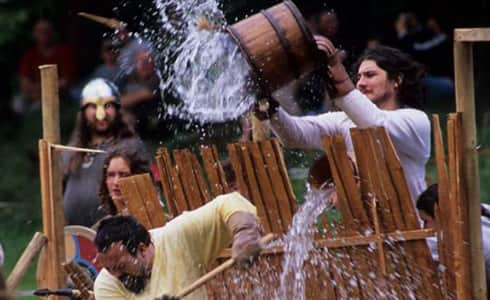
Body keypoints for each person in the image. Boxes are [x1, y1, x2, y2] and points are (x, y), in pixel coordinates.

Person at [264, 36, 429, 201]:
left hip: (414, 226)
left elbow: (376, 124)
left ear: (397, 80)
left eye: (370, 75)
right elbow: (295, 136)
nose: (360, 84)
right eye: (358, 77)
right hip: (363, 227)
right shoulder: (345, 120)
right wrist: (270, 107)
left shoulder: (416, 120)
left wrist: (338, 73)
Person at [93, 193, 262, 299]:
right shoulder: (106, 284)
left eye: (121, 267)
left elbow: (228, 202)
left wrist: (244, 232)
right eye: (109, 269)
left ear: (142, 249)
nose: (116, 276)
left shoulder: (178, 236)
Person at [63, 78, 150, 227]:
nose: (100, 113)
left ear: (117, 109)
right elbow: (56, 197)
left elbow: (147, 196)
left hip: (117, 235)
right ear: (83, 112)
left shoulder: (131, 147)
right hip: (75, 241)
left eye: (107, 105)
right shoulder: (70, 152)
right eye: (92, 106)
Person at [416, 184, 490, 291]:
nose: (424, 227)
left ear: (439, 216)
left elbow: (417, 249)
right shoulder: (481, 210)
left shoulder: (452, 237)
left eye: (426, 221)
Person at [13, 19, 78, 115]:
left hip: (59, 94)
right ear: (34, 34)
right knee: (18, 103)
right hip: (34, 95)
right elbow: (24, 83)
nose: (43, 34)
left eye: (46, 31)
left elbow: (66, 81)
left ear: (53, 32)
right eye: (39, 31)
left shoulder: (64, 52)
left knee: (39, 107)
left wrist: (45, 92)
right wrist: (37, 92)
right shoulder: (30, 55)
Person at [99, 147, 153, 216]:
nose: (116, 182)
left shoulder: (163, 223)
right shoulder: (103, 225)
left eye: (123, 175)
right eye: (111, 175)